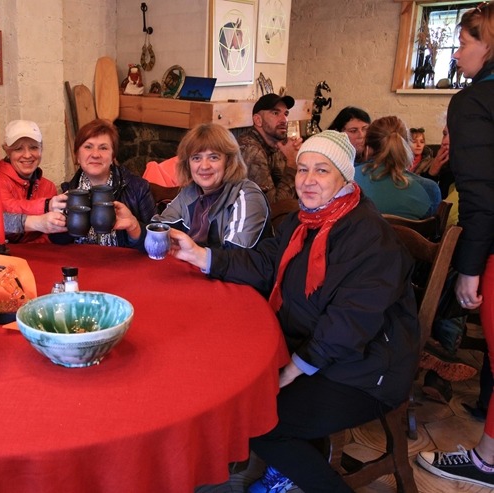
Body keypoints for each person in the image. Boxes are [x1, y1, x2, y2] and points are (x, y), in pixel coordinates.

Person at [168, 130, 419, 493]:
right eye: (302, 170)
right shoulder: (305, 222)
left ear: (345, 178)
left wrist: (292, 370)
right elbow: (266, 262)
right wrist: (201, 255)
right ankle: (284, 467)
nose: (308, 181)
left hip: (365, 372)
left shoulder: (370, 239)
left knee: (257, 421)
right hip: (316, 349)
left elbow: (348, 326)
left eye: (322, 171)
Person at [416, 4, 494, 488]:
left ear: (487, 44)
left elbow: (483, 197)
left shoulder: (472, 103)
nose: (457, 51)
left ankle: (486, 462)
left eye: (463, 41)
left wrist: (468, 269)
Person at [151, 123, 270, 249]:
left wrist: (191, 250)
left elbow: (235, 257)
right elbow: (159, 229)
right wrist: (135, 229)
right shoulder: (190, 191)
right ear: (187, 164)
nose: (204, 166)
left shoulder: (247, 196)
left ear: (229, 161)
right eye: (196, 158)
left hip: (237, 268)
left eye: (213, 157)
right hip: (195, 266)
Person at [54, 119, 155, 248]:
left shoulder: (138, 188)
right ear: (77, 156)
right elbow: (57, 242)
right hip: (80, 264)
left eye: (103, 148)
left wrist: (134, 227)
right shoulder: (68, 191)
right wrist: (61, 220)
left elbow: (159, 238)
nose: (95, 154)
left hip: (123, 265)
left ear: (113, 157)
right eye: (88, 147)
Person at [0, 120, 67, 243]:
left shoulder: (48, 186)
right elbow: (4, 211)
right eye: (18, 148)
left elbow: (49, 234)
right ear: (7, 151)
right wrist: (46, 205)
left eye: (33, 147)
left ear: (41, 149)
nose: (27, 155)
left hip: (37, 256)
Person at [354, 115, 439, 219]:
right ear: (405, 148)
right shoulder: (429, 189)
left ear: (367, 149)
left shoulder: (346, 182)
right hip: (409, 235)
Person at [237, 94, 302, 204]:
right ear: (258, 120)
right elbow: (274, 207)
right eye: (275, 113)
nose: (284, 120)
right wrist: (292, 164)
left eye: (286, 114)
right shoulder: (251, 151)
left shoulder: (275, 143)